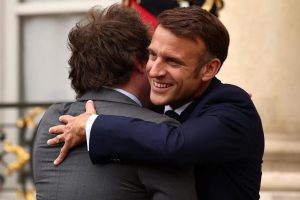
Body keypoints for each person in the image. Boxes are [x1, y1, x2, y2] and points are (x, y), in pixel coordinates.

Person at [49, 6, 265, 200]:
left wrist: (92, 126)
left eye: (172, 61)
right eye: (152, 55)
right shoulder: (155, 105)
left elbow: (175, 145)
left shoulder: (234, 109)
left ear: (209, 69)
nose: (154, 70)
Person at [33, 4, 197, 200]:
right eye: (152, 56)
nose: (156, 67)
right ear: (139, 62)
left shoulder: (53, 118)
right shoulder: (158, 130)